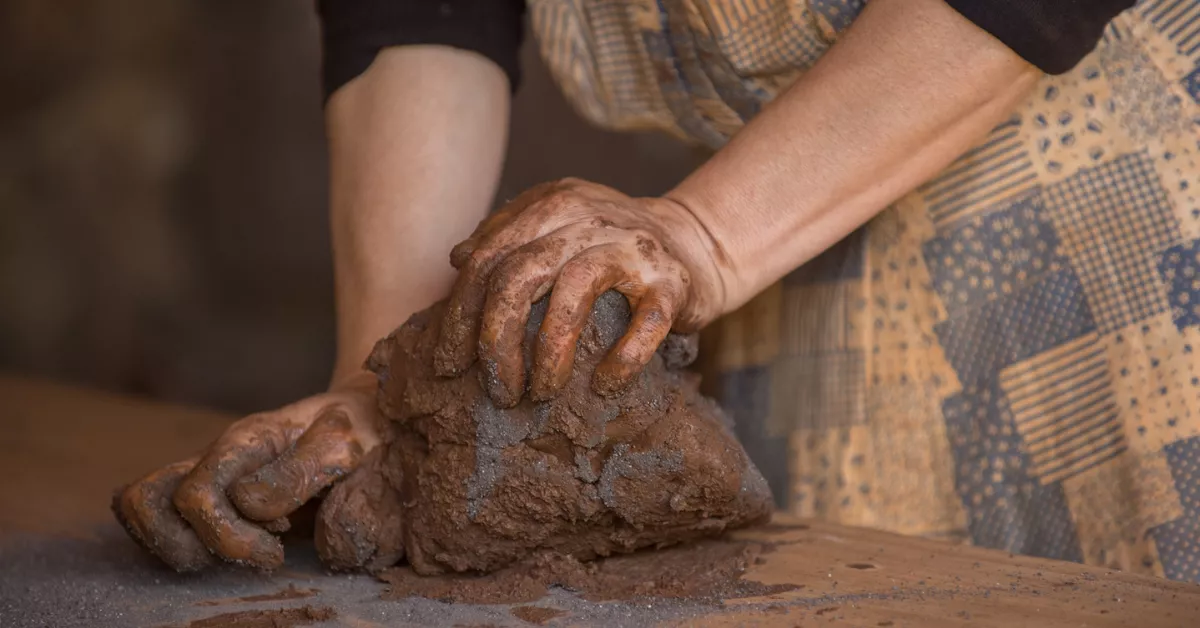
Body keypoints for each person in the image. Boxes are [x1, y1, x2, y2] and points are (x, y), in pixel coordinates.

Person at [115, 0, 1200, 583]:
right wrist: (385, 390)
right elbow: (420, 15)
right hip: (789, 236)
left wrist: (708, 230)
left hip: (1124, 201)